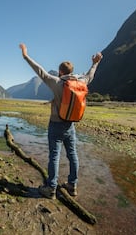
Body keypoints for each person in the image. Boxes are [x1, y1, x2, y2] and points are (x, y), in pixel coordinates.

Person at [18, 43, 102, 199]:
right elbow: (91, 74)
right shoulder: (81, 81)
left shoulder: (56, 82)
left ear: (60, 71)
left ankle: (51, 188)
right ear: (72, 71)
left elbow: (40, 71)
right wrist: (95, 62)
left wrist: (25, 55)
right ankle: (72, 185)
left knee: (54, 156)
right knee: (72, 154)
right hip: (70, 125)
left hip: (56, 124)